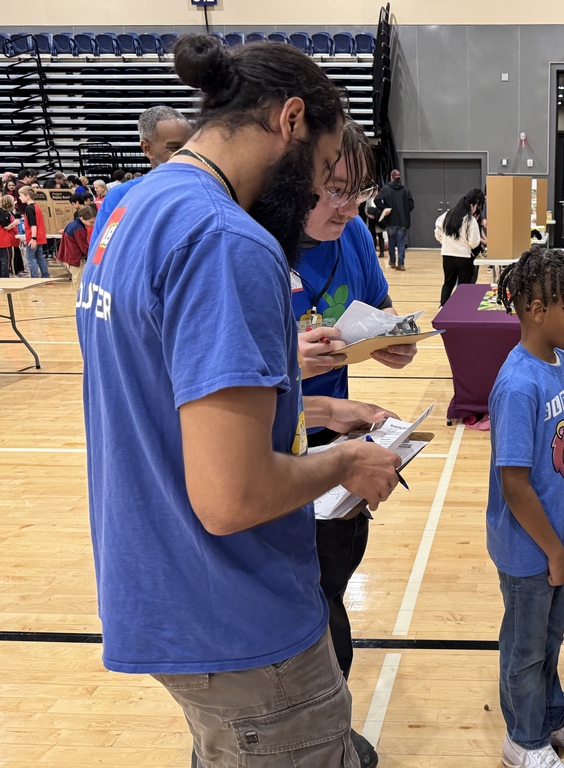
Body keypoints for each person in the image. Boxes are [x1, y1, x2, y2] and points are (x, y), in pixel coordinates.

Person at [76, 33, 403, 767]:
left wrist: (314, 413)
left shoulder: (131, 208)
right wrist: (345, 461)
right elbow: (231, 495)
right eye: (323, 170)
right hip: (236, 615)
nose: (321, 194)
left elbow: (170, 396)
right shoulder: (229, 239)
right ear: (290, 121)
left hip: (161, 590)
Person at [291, 116, 419, 768]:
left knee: (329, 589)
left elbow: (374, 312)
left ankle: (327, 732)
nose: (346, 206)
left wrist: (387, 342)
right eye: (333, 190)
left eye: (358, 192)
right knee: (296, 609)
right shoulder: (253, 245)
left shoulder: (356, 237)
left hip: (336, 448)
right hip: (278, 457)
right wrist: (308, 385)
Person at [487, 246, 564, 768]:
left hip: (557, 538)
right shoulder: (517, 385)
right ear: (538, 310)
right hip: (528, 548)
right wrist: (553, 551)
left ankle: (551, 717)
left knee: (550, 639)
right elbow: (514, 485)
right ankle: (524, 738)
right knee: (525, 648)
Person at [94, 106, 194, 234]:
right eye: (174, 148)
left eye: (191, 147)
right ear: (147, 149)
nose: (186, 155)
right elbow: (102, 252)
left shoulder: (208, 191)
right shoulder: (121, 196)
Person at [436, 188, 485, 306]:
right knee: (463, 286)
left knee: (448, 283)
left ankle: (442, 308)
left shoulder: (446, 215)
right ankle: (461, 308)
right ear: (472, 206)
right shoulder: (470, 219)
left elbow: (437, 234)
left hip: (447, 255)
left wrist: (448, 243)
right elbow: (474, 242)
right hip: (464, 257)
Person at [374, 168, 414, 271]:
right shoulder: (406, 190)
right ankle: (401, 264)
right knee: (401, 242)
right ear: (399, 178)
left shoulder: (386, 189)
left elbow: (376, 200)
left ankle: (392, 261)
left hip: (391, 220)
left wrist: (384, 208)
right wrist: (404, 211)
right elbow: (411, 205)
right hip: (403, 221)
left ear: (391, 177)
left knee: (391, 241)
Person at [56, 202, 95, 289]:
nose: (93, 225)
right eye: (91, 222)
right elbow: (85, 248)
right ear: (82, 218)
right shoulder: (79, 229)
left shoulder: (72, 224)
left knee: (78, 281)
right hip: (76, 260)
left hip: (69, 258)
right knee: (80, 285)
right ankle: (80, 301)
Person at [18, 186, 49, 279]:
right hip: (40, 236)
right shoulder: (36, 206)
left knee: (30, 258)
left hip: (33, 237)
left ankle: (34, 277)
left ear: (27, 196)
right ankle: (45, 276)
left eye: (21, 195)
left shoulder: (29, 208)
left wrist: (33, 238)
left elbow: (33, 225)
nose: (19, 197)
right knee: (40, 257)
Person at [0, 194, 18, 278]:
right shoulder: (3, 213)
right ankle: (5, 280)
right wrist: (14, 224)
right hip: (3, 241)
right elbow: (6, 227)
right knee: (5, 261)